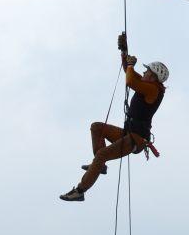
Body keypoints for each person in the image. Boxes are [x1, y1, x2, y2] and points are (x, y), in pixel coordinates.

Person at [60, 37, 168, 202]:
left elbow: (130, 79)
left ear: (153, 77)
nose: (144, 72)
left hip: (135, 140)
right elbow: (127, 71)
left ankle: (80, 190)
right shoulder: (148, 84)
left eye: (147, 71)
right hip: (128, 133)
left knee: (102, 154)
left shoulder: (153, 90)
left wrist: (131, 65)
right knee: (96, 127)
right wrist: (123, 51)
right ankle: (99, 166)